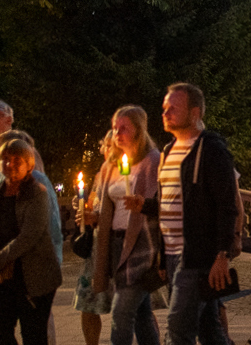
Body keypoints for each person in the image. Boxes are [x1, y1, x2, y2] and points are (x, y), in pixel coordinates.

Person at [156, 84, 239, 345]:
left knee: (178, 328)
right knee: (209, 328)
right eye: (164, 108)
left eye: (173, 108)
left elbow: (226, 204)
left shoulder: (211, 150)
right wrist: (161, 254)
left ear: (194, 113)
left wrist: (222, 254)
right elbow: (171, 204)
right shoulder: (168, 150)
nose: (166, 113)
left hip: (196, 254)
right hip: (172, 253)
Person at [0, 137, 60, 345]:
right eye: (5, 159)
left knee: (34, 335)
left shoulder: (38, 193)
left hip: (32, 276)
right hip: (0, 277)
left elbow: (28, 237)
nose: (10, 164)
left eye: (16, 160)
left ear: (29, 164)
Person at [94, 106, 162, 345]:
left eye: (124, 128)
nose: (117, 133)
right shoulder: (110, 166)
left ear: (138, 130)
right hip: (116, 244)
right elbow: (105, 208)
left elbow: (165, 205)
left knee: (121, 312)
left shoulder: (153, 161)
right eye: (115, 128)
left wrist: (143, 204)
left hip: (142, 245)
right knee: (142, 314)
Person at [73, 131, 118, 345]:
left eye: (112, 146)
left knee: (136, 307)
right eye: (106, 147)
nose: (106, 151)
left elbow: (130, 211)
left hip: (121, 249)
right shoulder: (101, 174)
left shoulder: (131, 172)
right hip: (97, 250)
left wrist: (98, 216)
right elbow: (94, 201)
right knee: (88, 304)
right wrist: (84, 206)